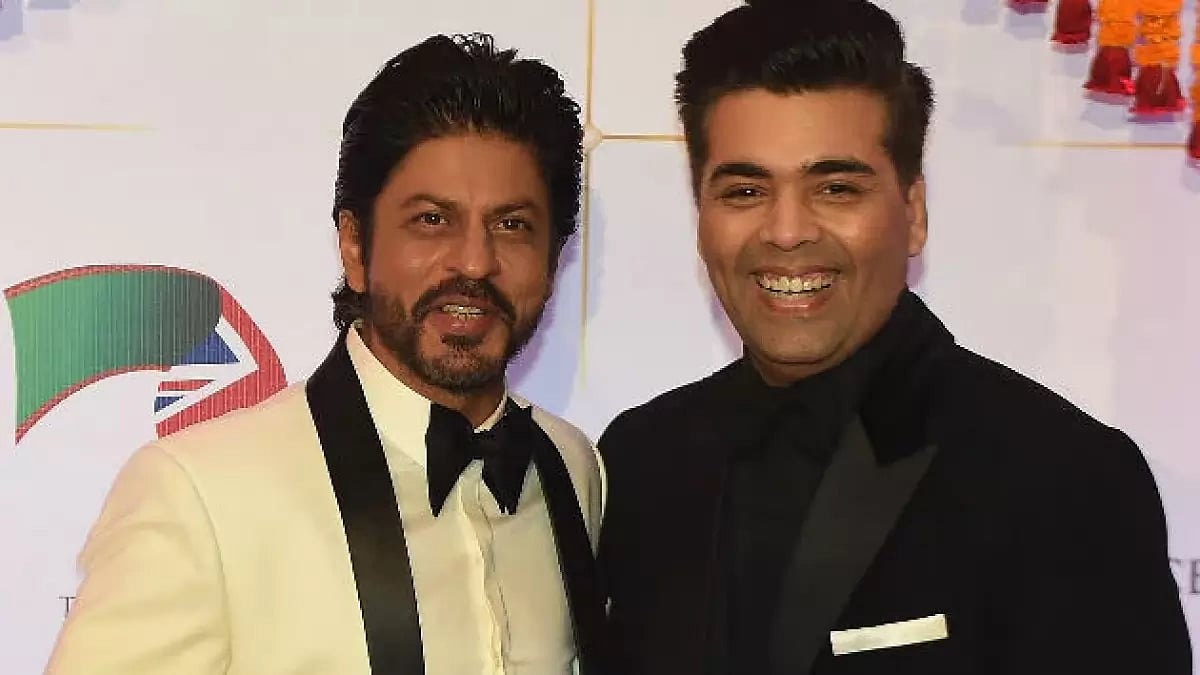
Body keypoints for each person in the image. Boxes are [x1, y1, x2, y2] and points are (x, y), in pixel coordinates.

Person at [596, 1, 1192, 673]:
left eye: (836, 189)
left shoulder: (1063, 478)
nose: (786, 232)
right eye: (744, 192)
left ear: (913, 213)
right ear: (701, 214)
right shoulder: (641, 461)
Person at [45, 33, 606, 675]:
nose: (475, 262)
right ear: (355, 246)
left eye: (512, 225)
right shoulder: (199, 495)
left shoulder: (573, 470)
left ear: (553, 258)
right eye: (432, 220)